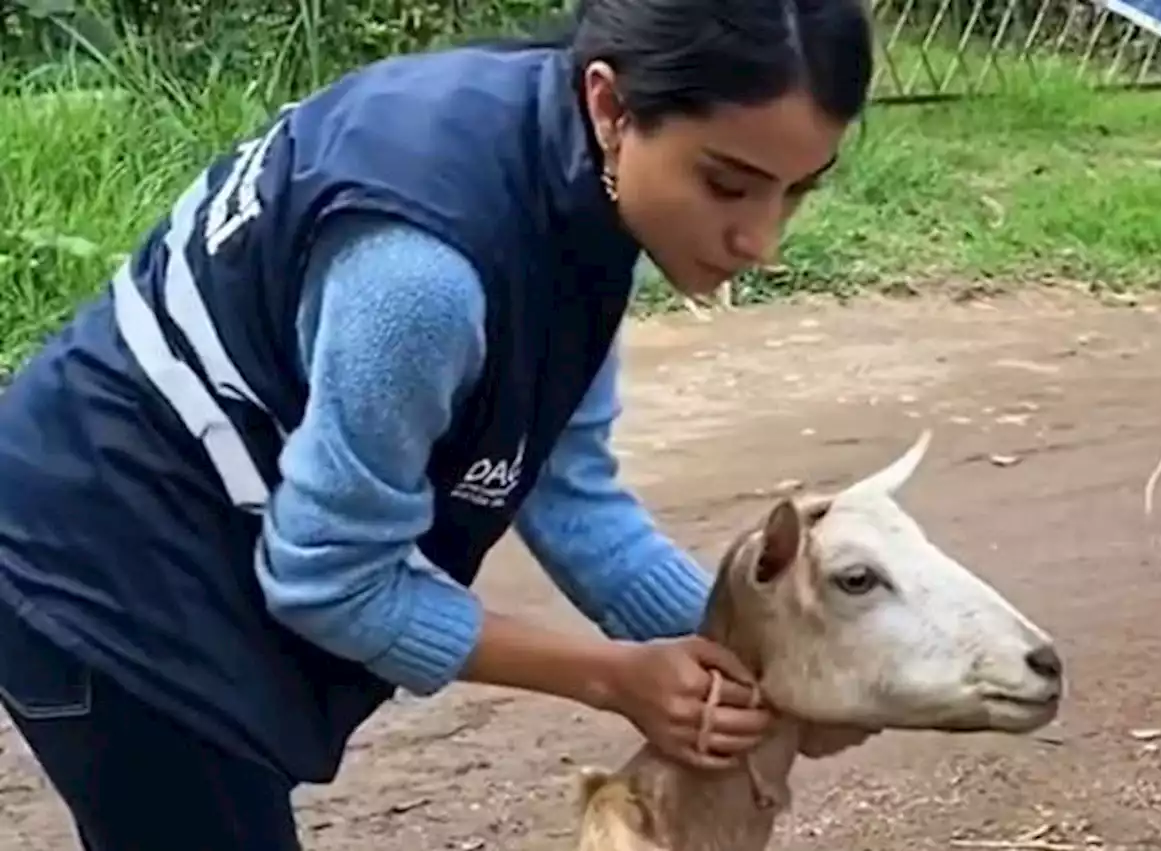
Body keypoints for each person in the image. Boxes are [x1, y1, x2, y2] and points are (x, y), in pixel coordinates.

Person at [0, 0, 875, 847]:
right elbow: (334, 582)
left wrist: (763, 665)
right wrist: (616, 679)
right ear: (613, 105)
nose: (762, 240)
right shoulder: (426, 275)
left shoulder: (573, 167)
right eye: (728, 184)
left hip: (187, 523)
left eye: (796, 192)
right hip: (98, 564)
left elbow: (572, 497)